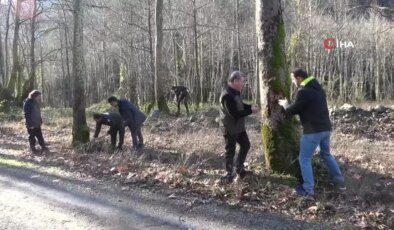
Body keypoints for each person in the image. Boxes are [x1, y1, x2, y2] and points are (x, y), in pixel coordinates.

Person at [278, 68, 345, 199]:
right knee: (326, 154)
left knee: (304, 159)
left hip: (313, 131)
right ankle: (339, 179)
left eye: (293, 79)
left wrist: (286, 105)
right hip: (326, 129)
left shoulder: (303, 91)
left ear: (299, 78)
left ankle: (308, 190)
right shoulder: (319, 89)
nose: (293, 82)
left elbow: (293, 110)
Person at [219, 71, 260, 184]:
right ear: (235, 81)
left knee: (246, 145)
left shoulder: (236, 92)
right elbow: (234, 113)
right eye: (242, 81)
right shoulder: (227, 95)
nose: (244, 84)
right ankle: (229, 175)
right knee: (230, 151)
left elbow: (240, 105)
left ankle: (239, 168)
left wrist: (250, 106)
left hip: (239, 127)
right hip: (229, 127)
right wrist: (250, 111)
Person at [23, 90, 48, 154]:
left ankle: (43, 147)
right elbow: (27, 114)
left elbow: (38, 112)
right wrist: (30, 124)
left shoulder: (36, 102)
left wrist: (40, 120)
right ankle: (33, 148)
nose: (39, 98)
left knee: (40, 135)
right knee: (31, 136)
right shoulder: (27, 102)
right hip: (30, 123)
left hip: (37, 123)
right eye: (39, 96)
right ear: (34, 96)